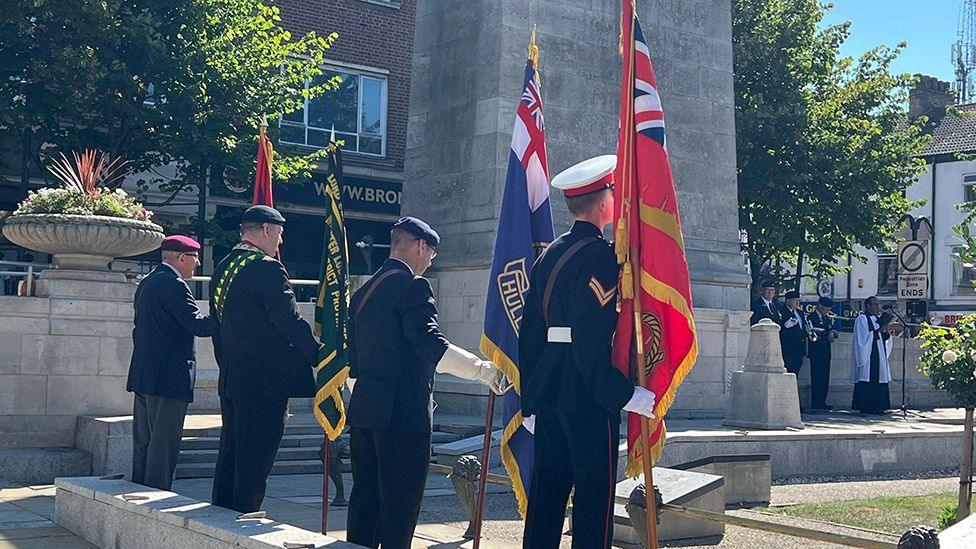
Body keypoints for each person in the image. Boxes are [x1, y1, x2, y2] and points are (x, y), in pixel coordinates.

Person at [518, 155, 656, 549]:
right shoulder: (599, 256)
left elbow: (529, 335)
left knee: (546, 498)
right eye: (613, 192)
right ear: (603, 202)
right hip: (586, 395)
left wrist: (531, 397)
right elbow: (589, 338)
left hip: (549, 391)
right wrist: (624, 393)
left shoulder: (549, 254)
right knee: (593, 503)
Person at [345, 216, 506, 548]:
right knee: (399, 509)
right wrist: (481, 369)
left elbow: (354, 362)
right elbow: (431, 345)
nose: (430, 262)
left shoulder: (362, 293)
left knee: (365, 503)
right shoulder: (413, 286)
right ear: (420, 246)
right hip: (403, 415)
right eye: (431, 254)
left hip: (364, 411)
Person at [209, 205, 319, 513]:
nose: (281, 242)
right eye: (280, 234)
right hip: (263, 383)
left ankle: (219, 519)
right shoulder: (267, 268)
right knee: (255, 461)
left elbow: (217, 327)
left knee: (231, 457)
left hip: (232, 379)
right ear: (267, 231)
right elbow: (290, 322)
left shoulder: (224, 267)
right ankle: (243, 523)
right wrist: (320, 357)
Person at [127, 235, 212, 490]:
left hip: (144, 374)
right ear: (182, 258)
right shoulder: (174, 284)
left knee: (144, 442)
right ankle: (155, 497)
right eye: (195, 258)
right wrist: (229, 316)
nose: (197, 264)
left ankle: (138, 493)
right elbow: (197, 324)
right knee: (163, 445)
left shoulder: (149, 282)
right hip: (168, 377)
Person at [851, 296, 898, 414]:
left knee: (879, 376)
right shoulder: (862, 319)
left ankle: (878, 406)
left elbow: (883, 337)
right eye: (875, 305)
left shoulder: (877, 319)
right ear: (868, 306)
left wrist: (886, 332)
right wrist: (879, 330)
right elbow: (862, 338)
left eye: (878, 304)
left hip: (878, 351)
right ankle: (867, 407)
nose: (878, 307)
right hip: (869, 354)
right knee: (869, 376)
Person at [807, 296, 837, 412]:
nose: (827, 311)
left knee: (825, 378)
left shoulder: (827, 319)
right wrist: (826, 332)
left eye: (828, 309)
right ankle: (816, 402)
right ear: (820, 306)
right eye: (825, 308)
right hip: (816, 352)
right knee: (817, 378)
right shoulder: (812, 317)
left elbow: (831, 330)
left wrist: (833, 333)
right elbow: (812, 330)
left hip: (826, 351)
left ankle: (822, 401)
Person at [778, 290, 807, 375]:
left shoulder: (800, 313)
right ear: (788, 301)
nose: (798, 303)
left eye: (799, 300)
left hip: (799, 348)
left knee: (796, 370)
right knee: (788, 371)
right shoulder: (782, 311)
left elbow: (803, 328)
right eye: (795, 300)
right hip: (788, 348)